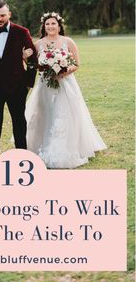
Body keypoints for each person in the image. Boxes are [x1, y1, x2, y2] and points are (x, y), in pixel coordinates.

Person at [25, 11, 107, 169]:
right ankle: (41, 144)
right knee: (45, 113)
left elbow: (76, 63)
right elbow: (33, 64)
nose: (50, 26)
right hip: (45, 85)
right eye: (47, 24)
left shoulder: (68, 42)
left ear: (59, 25)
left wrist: (62, 72)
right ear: (44, 26)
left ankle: (66, 148)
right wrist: (30, 60)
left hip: (66, 84)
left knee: (64, 113)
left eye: (53, 23)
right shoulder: (38, 44)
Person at [0, 1, 37, 167]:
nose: (0, 19)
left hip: (17, 87)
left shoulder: (22, 32)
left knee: (19, 122)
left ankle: (23, 159)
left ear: (9, 14)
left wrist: (28, 83)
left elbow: (33, 59)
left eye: (2, 15)